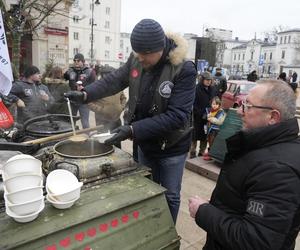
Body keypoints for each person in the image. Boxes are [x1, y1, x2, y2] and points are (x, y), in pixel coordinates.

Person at [65, 18, 197, 223]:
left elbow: (177, 117)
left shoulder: (183, 69)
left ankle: (167, 232)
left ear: (160, 48)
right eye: (137, 53)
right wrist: (85, 95)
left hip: (172, 146)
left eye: (145, 54)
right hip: (145, 141)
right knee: (146, 187)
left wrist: (132, 129)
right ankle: (148, 227)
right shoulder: (137, 59)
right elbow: (114, 80)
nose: (140, 59)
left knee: (170, 194)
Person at [188, 79, 300, 249]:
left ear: (273, 117)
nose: (240, 111)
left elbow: (257, 241)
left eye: (248, 106)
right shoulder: (261, 146)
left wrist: (203, 212)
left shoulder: (278, 170)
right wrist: (219, 203)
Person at [64, 53, 96, 128]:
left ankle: (86, 137)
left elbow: (94, 86)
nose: (76, 62)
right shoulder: (70, 71)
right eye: (74, 60)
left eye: (78, 61)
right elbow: (62, 79)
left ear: (83, 61)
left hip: (83, 100)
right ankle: (72, 136)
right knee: (71, 121)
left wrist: (84, 89)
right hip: (72, 100)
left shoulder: (90, 72)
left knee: (85, 122)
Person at [190, 72, 216, 158]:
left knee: (205, 135)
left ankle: (201, 152)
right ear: (202, 80)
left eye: (210, 80)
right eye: (207, 80)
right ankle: (192, 152)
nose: (208, 82)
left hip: (208, 116)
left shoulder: (212, 89)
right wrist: (199, 112)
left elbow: (215, 101)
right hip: (197, 116)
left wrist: (213, 112)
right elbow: (193, 103)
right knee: (195, 134)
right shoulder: (196, 88)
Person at [202, 96, 225, 161]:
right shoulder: (208, 110)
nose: (215, 106)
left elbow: (219, 121)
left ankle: (211, 154)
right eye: (213, 104)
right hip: (209, 128)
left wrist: (210, 118)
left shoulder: (220, 112)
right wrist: (207, 116)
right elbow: (203, 117)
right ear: (211, 104)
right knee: (209, 141)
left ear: (219, 105)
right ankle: (209, 152)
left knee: (213, 142)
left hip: (215, 130)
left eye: (216, 104)